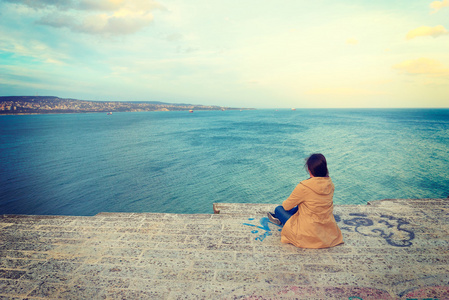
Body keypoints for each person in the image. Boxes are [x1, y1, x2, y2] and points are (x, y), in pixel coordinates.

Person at [267, 153, 344, 249]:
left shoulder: (304, 186)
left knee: (279, 209)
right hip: (326, 232)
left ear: (309, 169)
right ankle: (283, 218)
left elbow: (286, 206)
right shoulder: (330, 184)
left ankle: (279, 219)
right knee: (301, 206)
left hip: (307, 233)